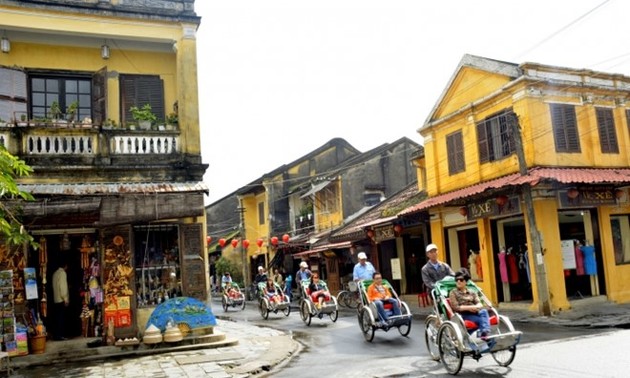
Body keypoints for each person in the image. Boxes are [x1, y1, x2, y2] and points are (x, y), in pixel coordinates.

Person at [449, 269, 491, 340]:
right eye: (457, 280)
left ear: (466, 282)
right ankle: (483, 335)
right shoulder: (453, 292)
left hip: (475, 312)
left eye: (461, 280)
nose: (458, 281)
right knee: (481, 320)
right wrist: (470, 307)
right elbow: (456, 307)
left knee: (484, 311)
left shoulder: (472, 292)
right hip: (463, 315)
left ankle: (483, 333)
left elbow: (479, 303)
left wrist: (476, 307)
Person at [52, 260, 69, 340]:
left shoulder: (55, 273)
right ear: (65, 266)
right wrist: (65, 298)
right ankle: (60, 335)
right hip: (60, 299)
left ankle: (56, 335)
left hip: (56, 299)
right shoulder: (62, 273)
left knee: (57, 318)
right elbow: (63, 287)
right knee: (61, 318)